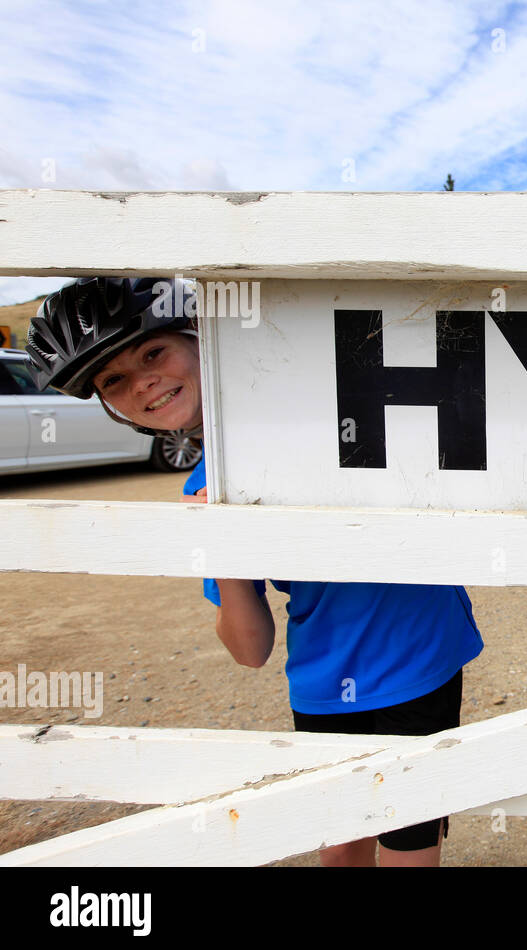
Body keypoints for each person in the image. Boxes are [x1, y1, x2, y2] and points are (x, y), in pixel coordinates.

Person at [27, 276, 483, 867]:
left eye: (153, 352)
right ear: (110, 403)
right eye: (113, 379)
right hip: (323, 686)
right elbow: (249, 650)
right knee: (339, 845)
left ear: (198, 337)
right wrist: (222, 546)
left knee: (407, 848)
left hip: (418, 662)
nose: (144, 381)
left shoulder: (314, 403)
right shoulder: (204, 486)